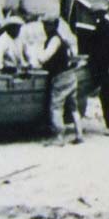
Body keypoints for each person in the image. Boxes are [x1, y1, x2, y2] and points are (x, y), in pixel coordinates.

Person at [34, 16, 81, 144]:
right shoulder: (63, 39)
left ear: (52, 26)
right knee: (73, 106)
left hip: (60, 77)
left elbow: (44, 57)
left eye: (46, 25)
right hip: (70, 75)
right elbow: (72, 54)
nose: (44, 28)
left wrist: (37, 56)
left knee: (56, 106)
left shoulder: (54, 40)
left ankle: (59, 136)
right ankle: (79, 134)